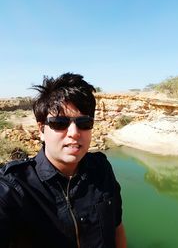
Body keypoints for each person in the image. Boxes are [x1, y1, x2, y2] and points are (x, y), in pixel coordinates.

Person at [0, 72, 127, 248]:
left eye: (84, 123)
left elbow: (117, 226)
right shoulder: (14, 188)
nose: (74, 133)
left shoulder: (101, 168)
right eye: (60, 123)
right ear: (41, 130)